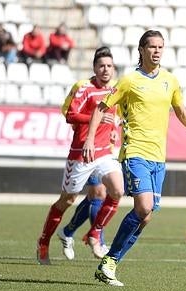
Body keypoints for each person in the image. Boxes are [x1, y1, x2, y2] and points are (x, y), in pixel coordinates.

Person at [83, 30, 186, 286]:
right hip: (135, 152)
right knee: (144, 208)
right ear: (141, 49)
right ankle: (108, 260)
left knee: (146, 216)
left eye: (161, 46)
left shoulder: (170, 80)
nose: (157, 51)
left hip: (158, 158)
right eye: (152, 47)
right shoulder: (129, 81)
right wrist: (89, 140)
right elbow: (101, 107)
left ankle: (110, 262)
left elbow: (180, 111)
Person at [36, 46, 125, 265]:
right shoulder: (85, 88)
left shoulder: (116, 90)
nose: (105, 70)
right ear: (94, 68)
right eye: (101, 66)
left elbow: (120, 114)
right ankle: (44, 241)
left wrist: (118, 126)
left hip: (105, 152)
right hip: (81, 153)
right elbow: (70, 114)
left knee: (117, 190)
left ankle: (95, 233)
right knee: (67, 200)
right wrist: (93, 118)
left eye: (109, 66)